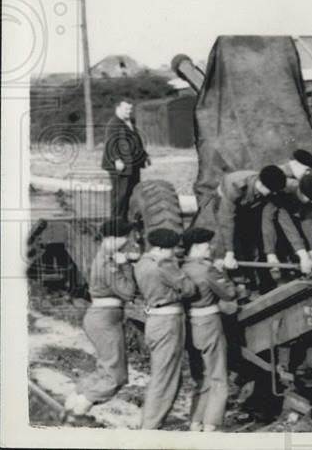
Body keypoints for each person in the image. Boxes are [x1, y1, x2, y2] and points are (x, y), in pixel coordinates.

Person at [63, 220, 140, 422]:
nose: (126, 241)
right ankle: (78, 414)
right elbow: (128, 292)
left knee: (104, 368)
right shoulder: (109, 263)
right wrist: (125, 265)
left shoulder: (105, 256)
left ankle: (73, 403)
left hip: (101, 318)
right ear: (113, 238)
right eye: (124, 237)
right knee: (116, 375)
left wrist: (124, 260)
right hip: (105, 320)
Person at [134, 228, 197, 430]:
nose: (173, 253)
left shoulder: (143, 263)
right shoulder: (164, 265)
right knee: (165, 378)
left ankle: (150, 423)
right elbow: (189, 289)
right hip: (169, 321)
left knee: (161, 373)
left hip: (153, 319)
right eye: (171, 249)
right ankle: (150, 428)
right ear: (162, 249)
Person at [180, 227, 237, 433]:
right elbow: (229, 293)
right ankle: (212, 425)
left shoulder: (181, 268)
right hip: (209, 323)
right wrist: (223, 272)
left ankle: (195, 422)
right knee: (218, 376)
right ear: (196, 247)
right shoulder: (207, 269)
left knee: (200, 377)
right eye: (206, 244)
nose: (210, 247)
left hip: (190, 325)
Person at [214, 165, 287, 270]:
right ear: (261, 185)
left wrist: (271, 254)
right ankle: (227, 267)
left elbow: (267, 223)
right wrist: (229, 254)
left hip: (249, 203)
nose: (274, 193)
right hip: (224, 200)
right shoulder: (236, 186)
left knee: (251, 237)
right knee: (231, 237)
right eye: (272, 191)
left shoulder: (270, 187)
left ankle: (256, 274)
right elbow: (226, 222)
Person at [260, 174, 312, 275]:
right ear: (300, 192)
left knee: (298, 250)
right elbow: (287, 226)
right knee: (273, 256)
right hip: (264, 217)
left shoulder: (309, 196)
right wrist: (271, 253)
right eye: (309, 199)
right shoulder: (284, 190)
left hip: (287, 216)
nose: (310, 201)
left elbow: (308, 224)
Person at [101, 99, 150, 220]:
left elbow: (136, 140)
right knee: (120, 194)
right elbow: (110, 143)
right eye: (126, 109)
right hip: (120, 166)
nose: (129, 112)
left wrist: (144, 156)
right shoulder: (113, 124)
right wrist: (117, 160)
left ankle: (128, 219)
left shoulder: (130, 122)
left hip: (133, 164)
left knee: (132, 192)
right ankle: (116, 221)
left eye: (130, 109)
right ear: (117, 108)